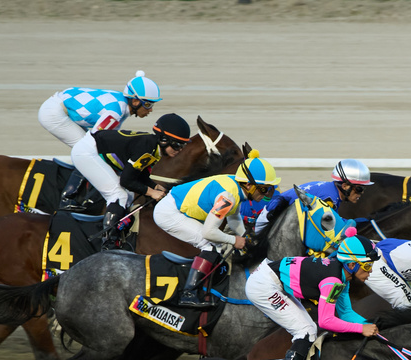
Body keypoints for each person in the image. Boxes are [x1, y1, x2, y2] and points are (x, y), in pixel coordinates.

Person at [245, 235, 380, 360]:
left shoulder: (341, 276)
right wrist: (361, 329)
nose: (370, 272)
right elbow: (326, 321)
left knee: (308, 329)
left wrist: (371, 327)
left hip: (273, 279)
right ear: (351, 265)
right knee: (306, 331)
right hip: (264, 285)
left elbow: (346, 313)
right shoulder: (333, 281)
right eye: (368, 266)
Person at [154, 150, 280, 307]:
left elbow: (234, 218)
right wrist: (235, 240)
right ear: (248, 185)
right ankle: (188, 293)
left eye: (269, 189)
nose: (266, 194)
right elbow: (209, 232)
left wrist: (246, 238)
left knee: (218, 246)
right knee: (210, 245)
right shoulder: (227, 197)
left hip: (175, 207)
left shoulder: (237, 185)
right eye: (263, 189)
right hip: (169, 213)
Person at [40, 71, 162, 209]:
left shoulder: (121, 105)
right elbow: (95, 141)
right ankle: (68, 198)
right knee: (89, 152)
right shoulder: (116, 112)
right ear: (135, 101)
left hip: (59, 105)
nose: (150, 110)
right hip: (54, 113)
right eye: (148, 105)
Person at [68, 113, 191, 247]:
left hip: (91, 149)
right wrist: (151, 193)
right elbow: (126, 181)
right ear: (163, 140)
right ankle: (108, 244)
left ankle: (118, 235)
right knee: (118, 194)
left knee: (129, 195)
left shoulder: (152, 147)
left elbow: (138, 175)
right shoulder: (147, 147)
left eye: (182, 146)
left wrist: (155, 187)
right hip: (86, 152)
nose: (179, 150)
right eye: (177, 145)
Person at [254, 159, 374, 234]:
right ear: (345, 186)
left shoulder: (331, 192)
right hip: (269, 223)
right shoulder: (329, 198)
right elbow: (331, 228)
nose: (361, 193)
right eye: (359, 189)